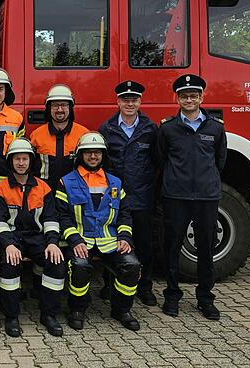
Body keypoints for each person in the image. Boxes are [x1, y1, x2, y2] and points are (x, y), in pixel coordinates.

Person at [156, 74, 226, 321]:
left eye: (193, 95)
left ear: (201, 97)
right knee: (172, 247)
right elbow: (161, 159)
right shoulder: (167, 128)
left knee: (205, 249)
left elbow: (220, 161)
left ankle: (205, 299)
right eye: (184, 96)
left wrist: (207, 183)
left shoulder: (216, 128)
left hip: (206, 198)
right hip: (176, 196)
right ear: (177, 98)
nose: (189, 99)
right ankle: (172, 296)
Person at [57, 133, 142, 331]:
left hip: (109, 240)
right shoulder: (66, 182)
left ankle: (122, 309)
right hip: (80, 240)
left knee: (132, 265)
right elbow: (63, 217)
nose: (93, 156)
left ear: (103, 155)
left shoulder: (115, 183)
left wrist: (124, 237)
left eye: (97, 153)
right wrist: (75, 240)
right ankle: (77, 310)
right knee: (80, 266)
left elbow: (125, 214)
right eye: (88, 153)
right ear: (80, 155)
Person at [0, 139, 65, 337]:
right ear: (10, 161)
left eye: (25, 159)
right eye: (17, 159)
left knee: (56, 262)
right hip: (12, 238)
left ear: (31, 161)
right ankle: (11, 316)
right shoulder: (1, 188)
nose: (21, 163)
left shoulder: (44, 187)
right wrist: (8, 245)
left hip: (37, 237)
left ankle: (48, 315)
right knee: (9, 265)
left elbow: (50, 218)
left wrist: (52, 243)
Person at [98, 81, 158, 306]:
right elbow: (102, 164)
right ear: (118, 102)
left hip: (141, 197)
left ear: (140, 102)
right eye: (125, 100)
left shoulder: (150, 129)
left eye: (134, 100)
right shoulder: (107, 128)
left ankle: (145, 287)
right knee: (110, 243)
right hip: (113, 199)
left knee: (144, 244)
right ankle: (109, 285)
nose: (129, 104)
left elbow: (157, 161)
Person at [29, 84, 90, 190]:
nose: (60, 109)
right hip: (44, 192)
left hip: (74, 191)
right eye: (55, 105)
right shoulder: (36, 135)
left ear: (70, 107)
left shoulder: (83, 135)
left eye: (64, 105)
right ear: (49, 108)